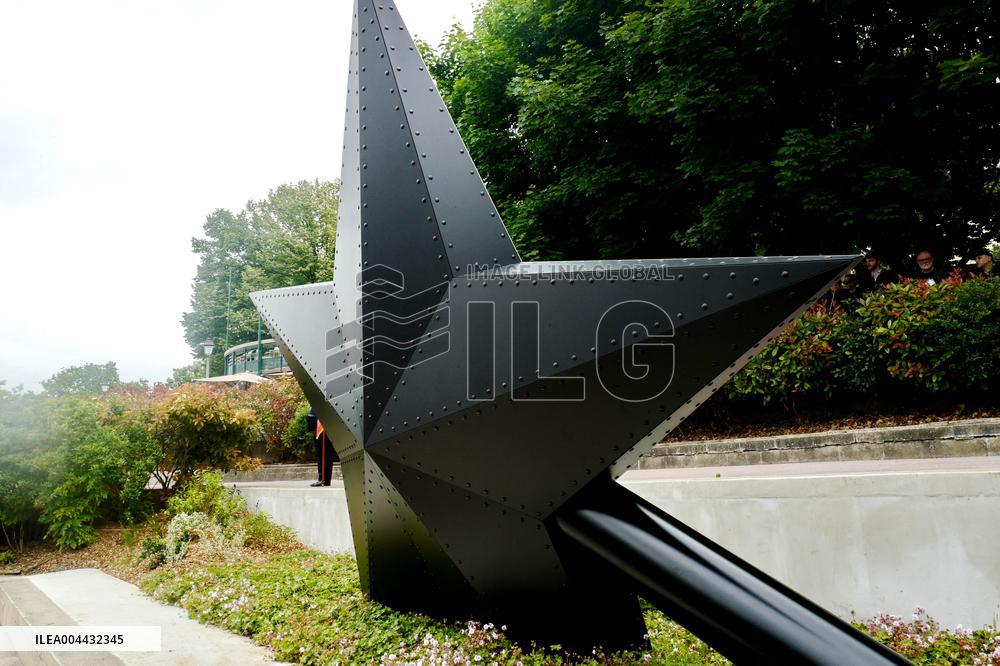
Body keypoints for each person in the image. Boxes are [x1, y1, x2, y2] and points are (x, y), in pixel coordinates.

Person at [307, 407, 335, 487]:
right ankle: (323, 479)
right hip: (318, 430)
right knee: (321, 455)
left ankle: (323, 479)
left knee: (325, 455)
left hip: (324, 430)